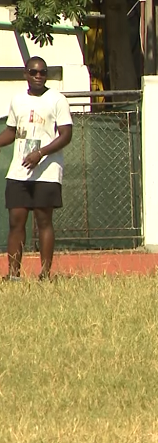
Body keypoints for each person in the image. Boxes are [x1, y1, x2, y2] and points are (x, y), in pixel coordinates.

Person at [0, 56, 73, 281]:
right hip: (20, 171)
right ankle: (13, 274)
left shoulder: (57, 100)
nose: (39, 76)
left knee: (44, 221)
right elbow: (12, 132)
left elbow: (66, 134)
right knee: (16, 221)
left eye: (43, 72)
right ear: (26, 74)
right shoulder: (18, 100)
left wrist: (40, 154)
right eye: (34, 72)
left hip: (46, 171)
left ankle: (45, 274)